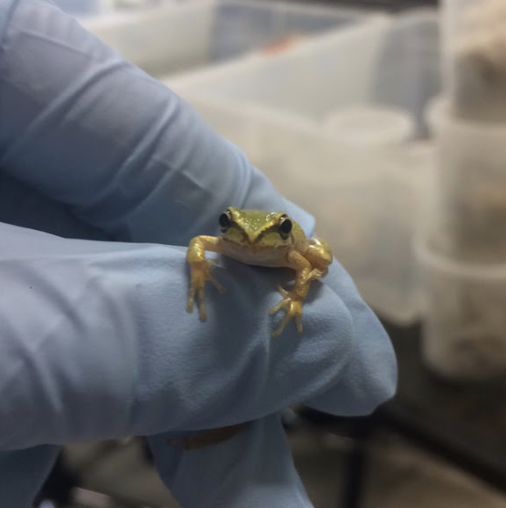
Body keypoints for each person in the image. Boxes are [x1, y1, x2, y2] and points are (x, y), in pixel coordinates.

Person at [0, 1, 397, 507]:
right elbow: (199, 243)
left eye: (263, 231)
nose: (247, 240)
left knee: (319, 258)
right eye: (233, 228)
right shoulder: (222, 241)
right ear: (228, 228)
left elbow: (307, 263)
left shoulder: (282, 247)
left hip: (289, 256)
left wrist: (298, 296)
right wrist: (199, 273)